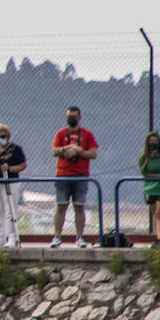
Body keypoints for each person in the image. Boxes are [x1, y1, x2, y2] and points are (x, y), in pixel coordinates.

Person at [50, 105, 98, 248]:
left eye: (74, 116)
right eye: (69, 116)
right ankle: (57, 236)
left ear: (79, 117)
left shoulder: (87, 134)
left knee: (79, 207)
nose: (71, 118)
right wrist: (66, 149)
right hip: (62, 174)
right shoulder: (60, 134)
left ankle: (79, 237)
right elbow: (54, 151)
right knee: (61, 206)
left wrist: (79, 151)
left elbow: (93, 153)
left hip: (80, 175)